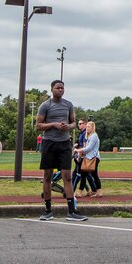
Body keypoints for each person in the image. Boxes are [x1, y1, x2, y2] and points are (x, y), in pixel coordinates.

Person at [36, 80, 86, 221]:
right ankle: (47, 210)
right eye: (57, 88)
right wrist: (54, 124)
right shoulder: (45, 105)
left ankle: (71, 211)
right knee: (47, 176)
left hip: (64, 143)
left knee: (67, 177)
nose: (60, 90)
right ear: (52, 90)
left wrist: (67, 127)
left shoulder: (68, 105)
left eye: (62, 88)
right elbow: (38, 126)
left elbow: (73, 123)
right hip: (49, 143)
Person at [76, 119, 102, 197]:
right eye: (86, 126)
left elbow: (89, 148)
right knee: (94, 175)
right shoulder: (90, 136)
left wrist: (78, 150)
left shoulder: (94, 136)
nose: (87, 128)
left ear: (92, 127)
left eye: (89, 127)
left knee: (84, 174)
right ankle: (98, 192)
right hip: (90, 157)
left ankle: (79, 192)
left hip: (93, 158)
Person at [72, 119, 92, 195]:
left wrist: (80, 155)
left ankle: (72, 190)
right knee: (83, 174)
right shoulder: (82, 133)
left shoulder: (85, 134)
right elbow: (80, 142)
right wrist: (76, 144)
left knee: (79, 173)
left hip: (81, 155)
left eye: (80, 123)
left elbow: (84, 145)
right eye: (78, 124)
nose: (79, 125)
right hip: (79, 154)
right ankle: (90, 189)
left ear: (85, 124)